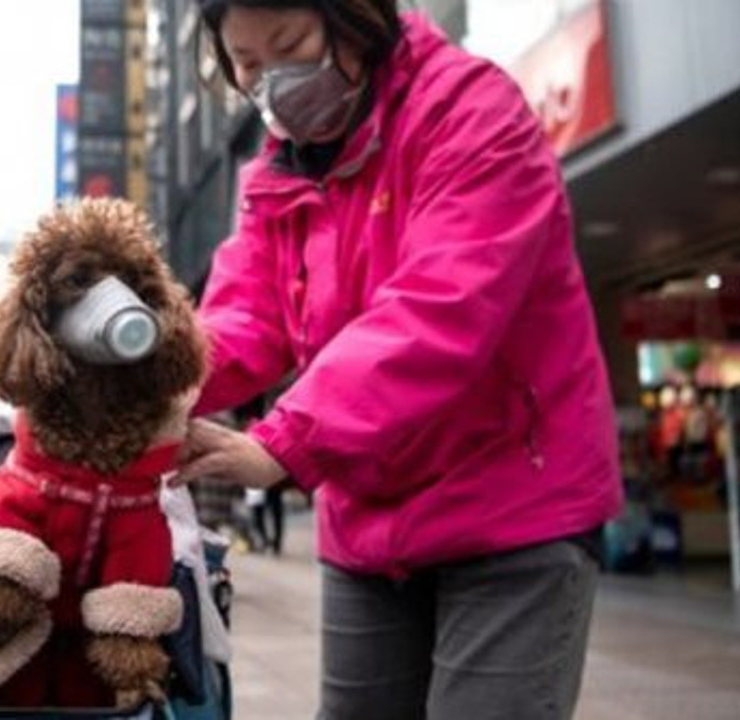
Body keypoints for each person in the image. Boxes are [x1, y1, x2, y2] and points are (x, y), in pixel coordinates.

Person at [173, 2, 624, 718]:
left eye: (291, 45)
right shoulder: (278, 167)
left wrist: (285, 443)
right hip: (369, 520)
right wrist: (153, 386)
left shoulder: (472, 111)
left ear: (356, 20)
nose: (273, 84)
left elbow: (440, 307)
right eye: (250, 66)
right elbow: (246, 312)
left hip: (511, 503)